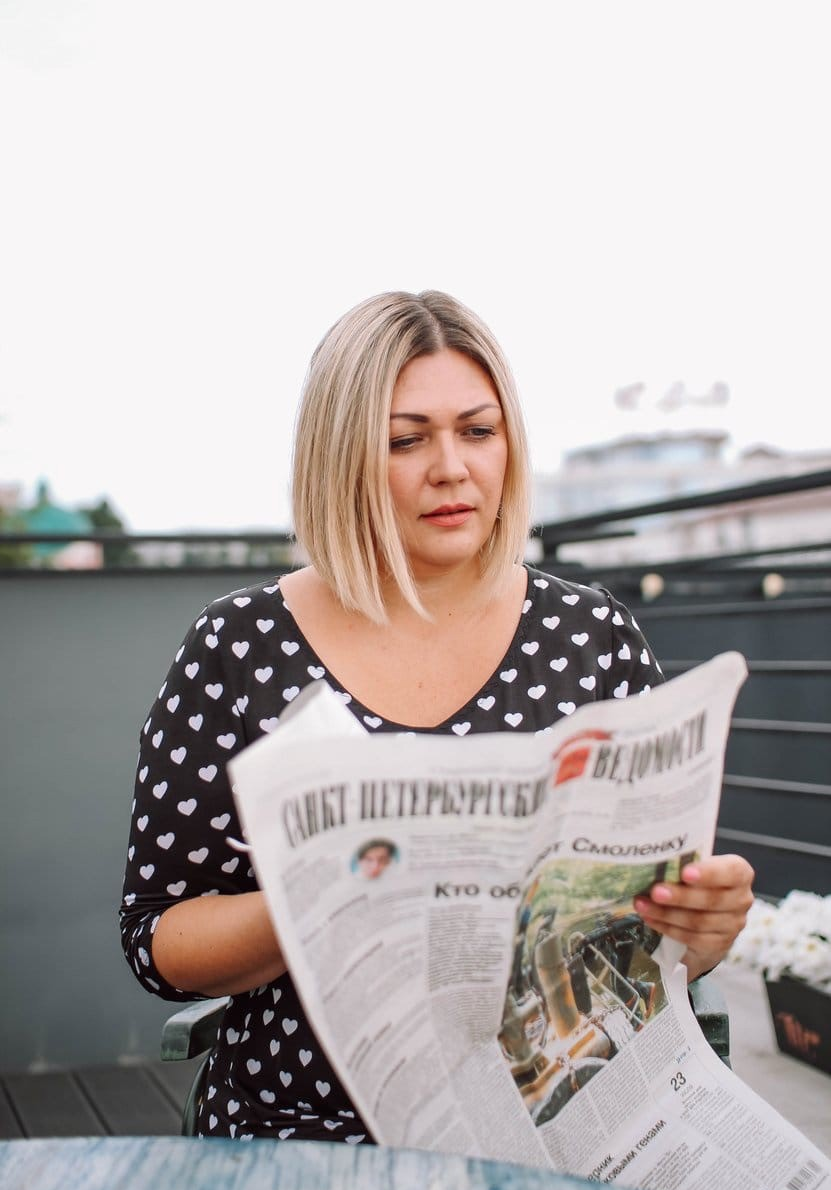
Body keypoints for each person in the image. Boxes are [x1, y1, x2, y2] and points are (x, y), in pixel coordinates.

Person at [119, 288, 755, 1142]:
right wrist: (323, 902)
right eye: (404, 440)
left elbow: (651, 938)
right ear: (341, 457)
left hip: (556, 1130)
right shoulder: (239, 646)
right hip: (306, 1130)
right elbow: (157, 938)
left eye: (477, 431)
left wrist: (701, 931)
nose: (451, 467)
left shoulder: (591, 634)